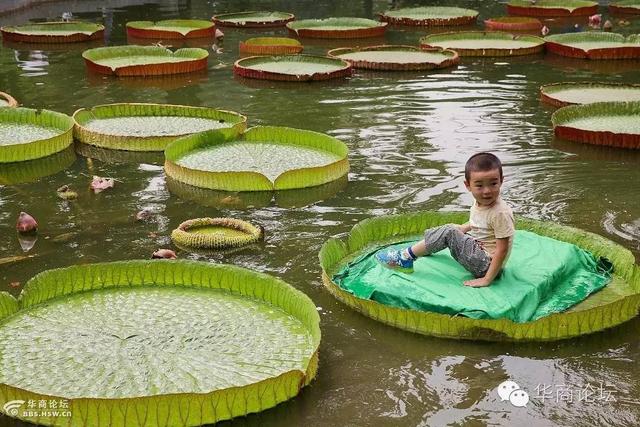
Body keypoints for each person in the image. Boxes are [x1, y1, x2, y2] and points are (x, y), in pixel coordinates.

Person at [376, 152, 515, 288]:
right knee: (452, 228)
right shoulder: (481, 202)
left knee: (449, 232)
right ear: (468, 185)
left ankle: (405, 257)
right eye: (479, 185)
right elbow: (480, 222)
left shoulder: (500, 213)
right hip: (479, 252)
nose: (487, 191)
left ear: (501, 181)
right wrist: (463, 228)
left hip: (485, 265)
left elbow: (502, 250)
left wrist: (487, 279)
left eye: (493, 184)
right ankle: (425, 248)